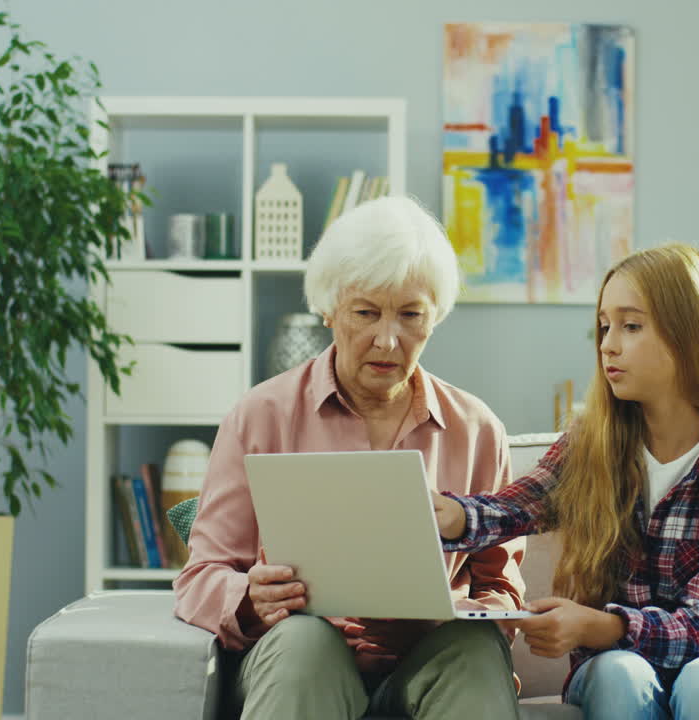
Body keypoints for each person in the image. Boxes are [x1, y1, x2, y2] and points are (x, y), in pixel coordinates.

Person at [175, 196, 525, 720]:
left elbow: (499, 589)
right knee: (305, 644)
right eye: (366, 313)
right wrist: (250, 596)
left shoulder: (477, 431)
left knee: (475, 652)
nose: (388, 339)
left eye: (411, 315)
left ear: (435, 319)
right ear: (329, 310)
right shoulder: (261, 415)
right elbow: (201, 576)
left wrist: (449, 618)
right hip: (299, 658)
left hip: (430, 664)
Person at [433, 244, 699, 720]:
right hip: (617, 663)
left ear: (691, 336)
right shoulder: (591, 443)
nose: (608, 344)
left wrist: (598, 626)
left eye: (631, 326)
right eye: (604, 326)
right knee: (620, 675)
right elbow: (515, 508)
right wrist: (452, 515)